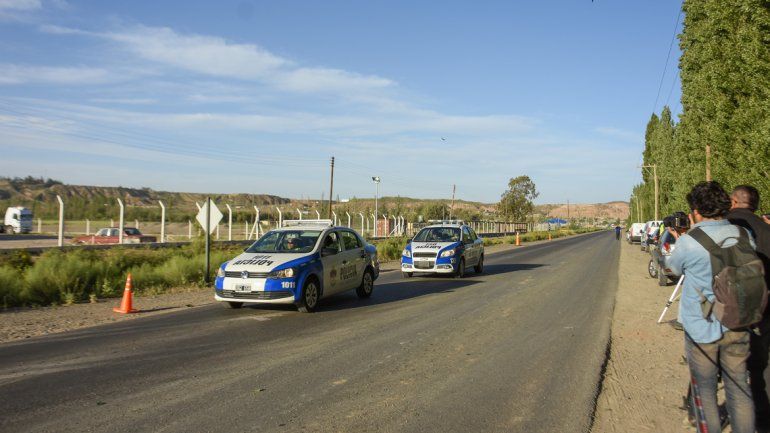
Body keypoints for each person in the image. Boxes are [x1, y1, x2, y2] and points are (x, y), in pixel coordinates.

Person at [669, 181, 755, 433]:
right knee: (739, 387)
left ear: (695, 211)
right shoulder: (743, 235)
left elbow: (673, 269)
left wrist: (681, 239)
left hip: (701, 328)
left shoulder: (690, 241)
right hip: (739, 321)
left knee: (705, 391)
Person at [728, 185, 770, 431]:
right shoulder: (766, 228)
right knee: (761, 365)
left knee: (731, 366)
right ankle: (763, 419)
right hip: (764, 307)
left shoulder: (721, 226)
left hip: (729, 307)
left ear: (733, 201)